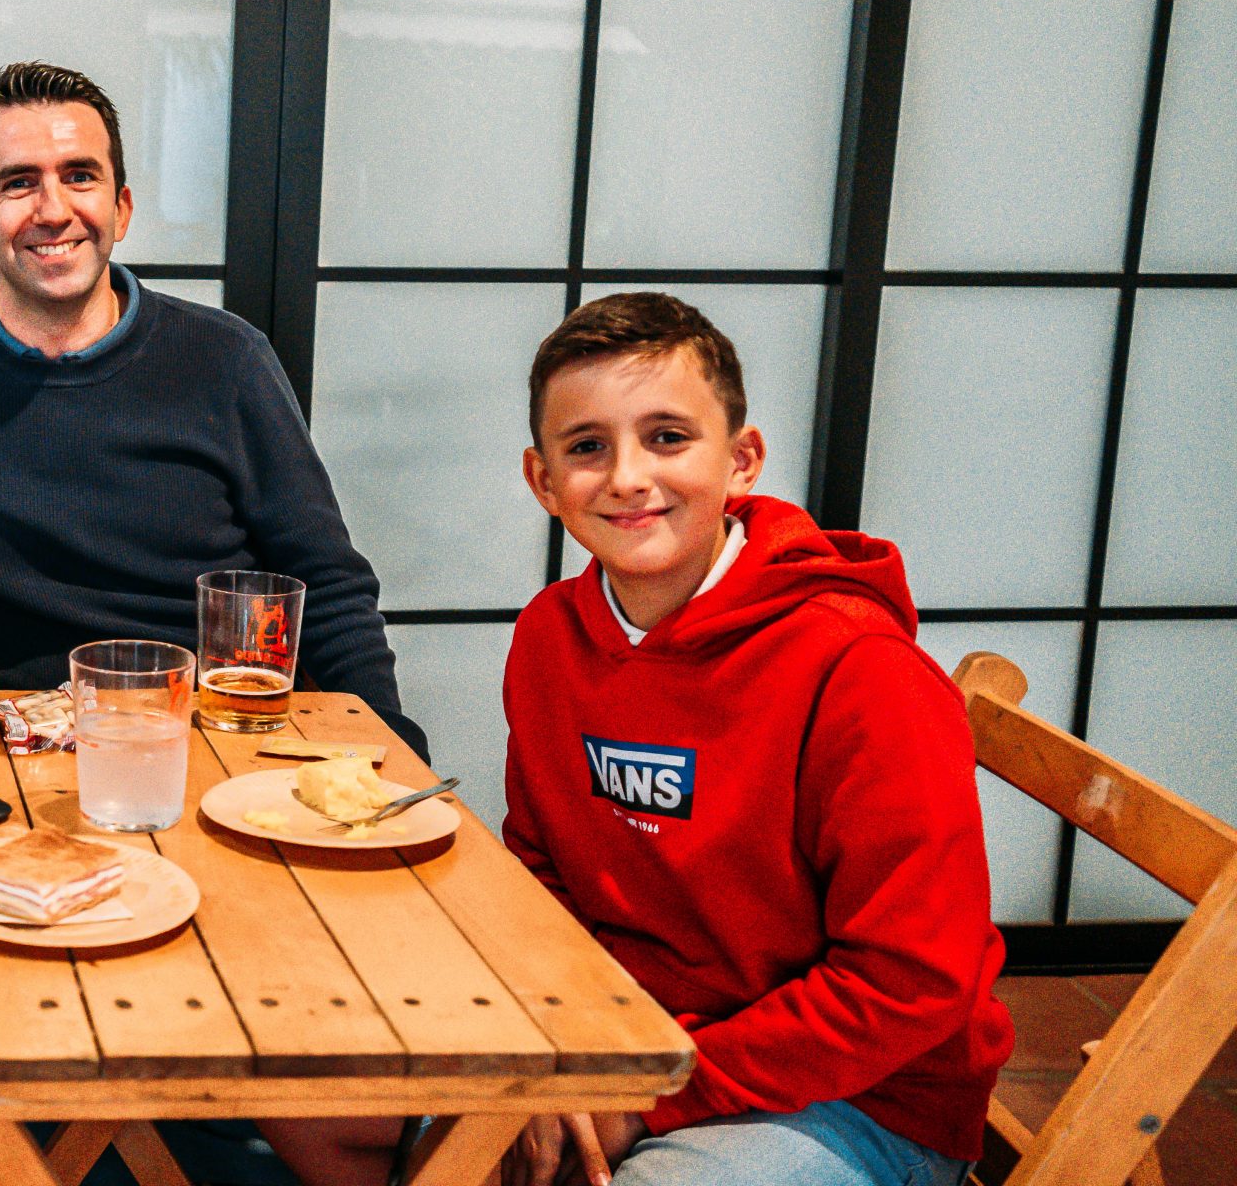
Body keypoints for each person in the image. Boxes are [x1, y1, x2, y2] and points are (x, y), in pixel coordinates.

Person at [270, 292, 1014, 1186]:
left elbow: (910, 983)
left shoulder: (860, 669)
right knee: (297, 1088)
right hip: (613, 1032)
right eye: (587, 447)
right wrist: (558, 1052)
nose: (627, 476)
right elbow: (545, 871)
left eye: (668, 437)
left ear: (742, 461)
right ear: (543, 480)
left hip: (854, 1091)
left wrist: (646, 1094)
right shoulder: (552, 635)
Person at [0, 61, 419, 753]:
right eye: (19, 182)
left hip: (221, 739)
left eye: (79, 176)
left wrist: (388, 747)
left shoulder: (226, 360)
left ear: (120, 208)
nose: (54, 209)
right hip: (16, 751)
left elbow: (326, 586)